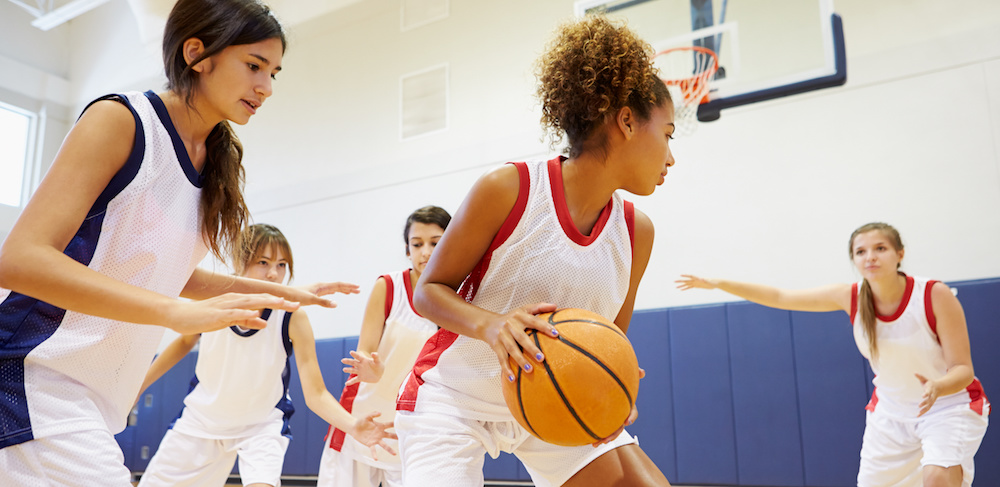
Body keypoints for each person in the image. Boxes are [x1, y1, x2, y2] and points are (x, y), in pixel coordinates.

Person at [0, 1, 352, 484]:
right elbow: (20, 260)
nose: (266, 87)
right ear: (196, 54)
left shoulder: (217, 164)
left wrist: (276, 294)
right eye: (254, 66)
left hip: (93, 399)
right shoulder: (120, 120)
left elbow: (161, 271)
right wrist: (171, 312)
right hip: (32, 379)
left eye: (274, 73)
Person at [394, 16, 674, 487]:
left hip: (548, 395)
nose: (671, 157)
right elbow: (428, 293)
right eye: (668, 134)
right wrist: (493, 324)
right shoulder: (510, 188)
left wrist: (614, 380)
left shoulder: (636, 232)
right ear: (627, 121)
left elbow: (609, 337)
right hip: (454, 398)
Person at [676, 222, 990, 487]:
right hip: (891, 414)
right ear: (854, 260)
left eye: (880, 248)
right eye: (861, 251)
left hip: (948, 406)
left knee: (936, 477)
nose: (870, 256)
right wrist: (719, 283)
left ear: (900, 254)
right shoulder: (850, 296)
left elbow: (962, 369)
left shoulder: (934, 294)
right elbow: (780, 296)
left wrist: (937, 387)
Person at [136, 224, 395, 487]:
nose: (273, 273)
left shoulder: (292, 317)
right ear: (240, 261)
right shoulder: (214, 298)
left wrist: (352, 426)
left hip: (260, 426)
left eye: (282, 265)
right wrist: (140, 384)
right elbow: (183, 341)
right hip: (201, 420)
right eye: (263, 262)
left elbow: (316, 393)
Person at [317, 205, 452, 487]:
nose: (425, 252)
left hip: (413, 429)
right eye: (417, 244)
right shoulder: (389, 286)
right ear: (407, 249)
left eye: (435, 243)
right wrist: (369, 368)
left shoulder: (457, 298)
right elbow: (365, 349)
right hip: (363, 417)